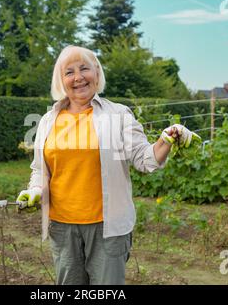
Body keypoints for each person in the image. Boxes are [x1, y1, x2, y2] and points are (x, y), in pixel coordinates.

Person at [16, 45, 199, 285]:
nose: (78, 77)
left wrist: (168, 138)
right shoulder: (48, 121)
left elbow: (146, 159)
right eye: (69, 72)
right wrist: (35, 191)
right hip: (62, 228)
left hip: (107, 228)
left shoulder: (118, 115)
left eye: (84, 69)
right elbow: (41, 170)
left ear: (97, 74)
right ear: (61, 81)